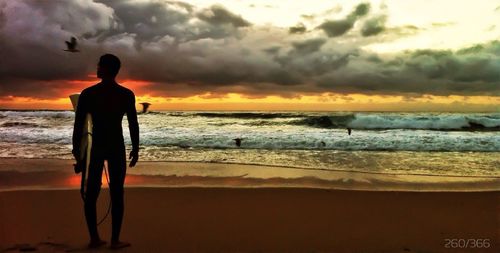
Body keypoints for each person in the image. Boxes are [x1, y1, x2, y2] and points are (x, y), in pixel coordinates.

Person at [72, 54, 139, 249]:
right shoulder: (126, 94)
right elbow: (133, 124)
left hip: (96, 147)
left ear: (107, 69)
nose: (97, 68)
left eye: (99, 65)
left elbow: (79, 126)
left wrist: (77, 150)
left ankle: (94, 238)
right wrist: (136, 147)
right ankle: (115, 240)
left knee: (91, 193)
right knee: (117, 193)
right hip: (116, 145)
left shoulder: (88, 94)